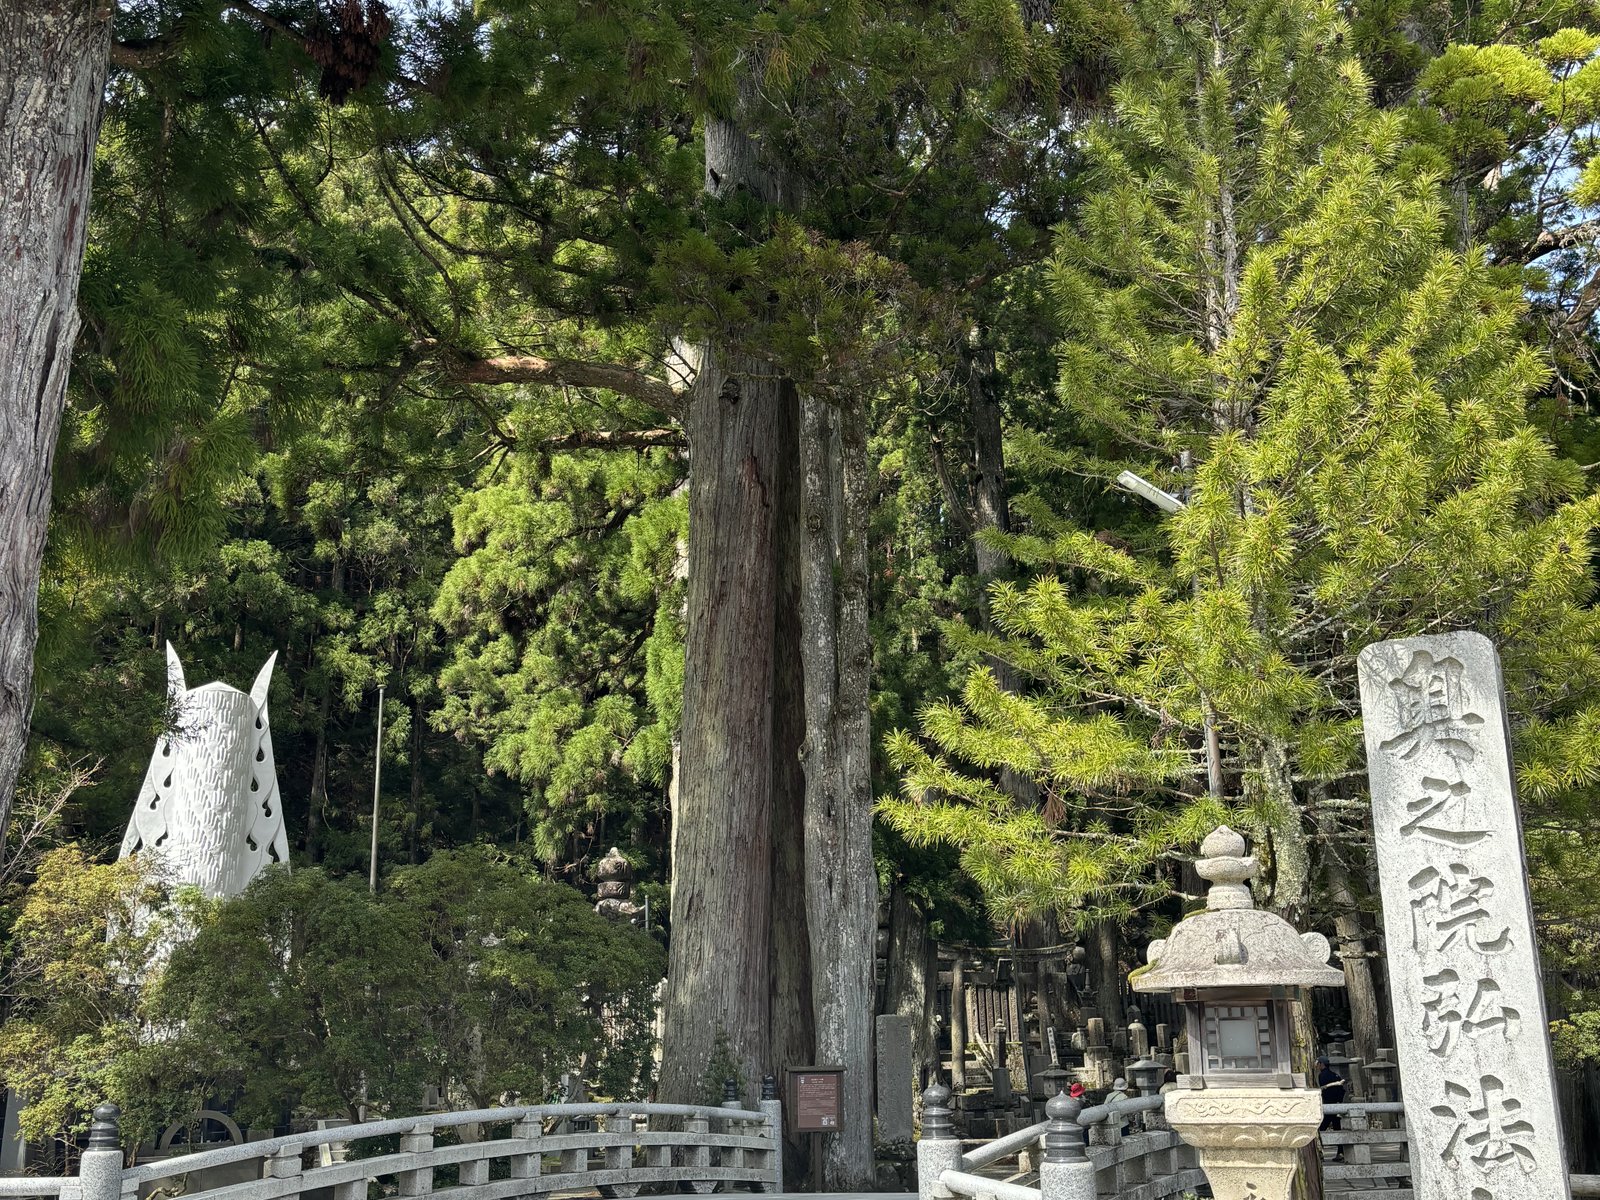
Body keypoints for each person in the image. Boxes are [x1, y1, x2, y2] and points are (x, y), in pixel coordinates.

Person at [1317, 1055, 1347, 1162]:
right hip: (1337, 1106)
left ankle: (1319, 1154)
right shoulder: (1336, 1075)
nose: (1318, 1066)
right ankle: (1341, 1152)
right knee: (1337, 1129)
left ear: (1322, 1064)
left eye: (1318, 1064)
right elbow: (1342, 1090)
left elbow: (1324, 1091)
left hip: (1328, 1106)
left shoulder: (1322, 1076)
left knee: (1320, 1130)